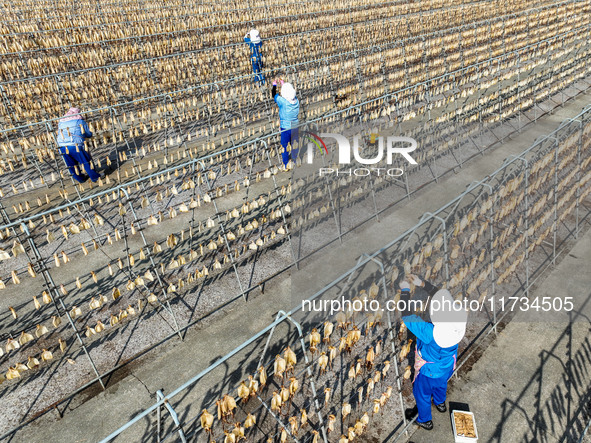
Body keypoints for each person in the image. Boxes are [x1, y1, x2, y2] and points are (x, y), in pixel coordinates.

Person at [400, 274, 468, 430]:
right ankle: (440, 403)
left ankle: (425, 420)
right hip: (447, 366)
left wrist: (405, 290)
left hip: (428, 372)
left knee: (422, 395)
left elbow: (407, 316)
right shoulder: (457, 328)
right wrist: (422, 283)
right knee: (441, 385)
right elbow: (442, 298)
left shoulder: (430, 333)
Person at [56, 107, 101, 183]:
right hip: (75, 145)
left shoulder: (61, 121)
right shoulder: (80, 121)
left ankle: (80, 179)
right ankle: (95, 177)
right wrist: (91, 134)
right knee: (85, 161)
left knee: (71, 164)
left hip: (61, 146)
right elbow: (87, 133)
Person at [271, 78, 300, 168]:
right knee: (294, 143)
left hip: (286, 127)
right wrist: (283, 84)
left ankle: (286, 163)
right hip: (295, 126)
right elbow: (288, 94)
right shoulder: (296, 101)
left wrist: (274, 85)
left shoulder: (283, 102)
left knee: (284, 145)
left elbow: (274, 95)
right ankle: (295, 160)